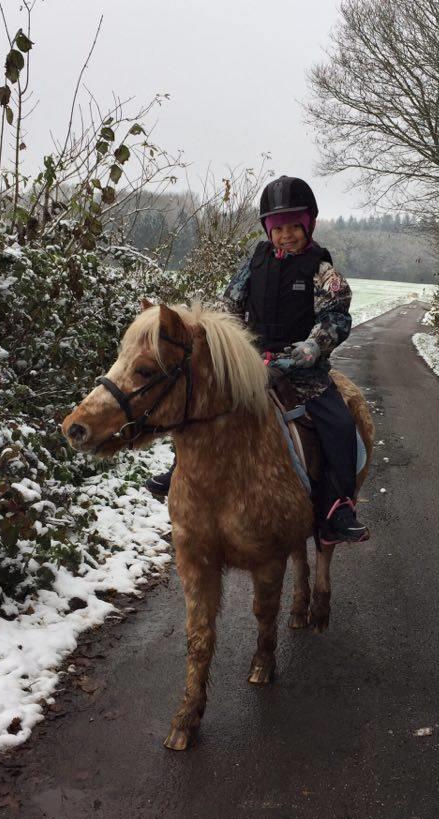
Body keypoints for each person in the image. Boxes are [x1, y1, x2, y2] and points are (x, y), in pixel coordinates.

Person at [146, 175, 368, 546]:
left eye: (294, 227)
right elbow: (229, 304)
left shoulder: (322, 272)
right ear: (268, 230)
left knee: (341, 424)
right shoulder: (255, 263)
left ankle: (337, 506)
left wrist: (310, 349)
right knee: (199, 403)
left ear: (307, 225)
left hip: (302, 370)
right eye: (278, 228)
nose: (286, 235)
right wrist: (224, 341)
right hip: (251, 362)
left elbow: (335, 317)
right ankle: (179, 470)